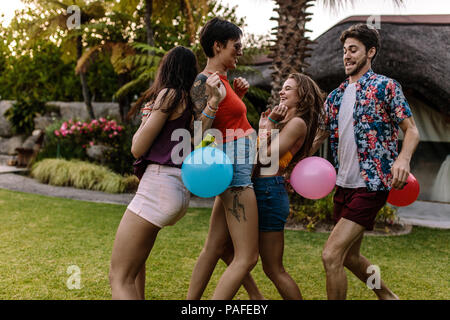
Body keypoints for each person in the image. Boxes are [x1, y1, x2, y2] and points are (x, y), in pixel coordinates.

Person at [310, 24, 420, 300]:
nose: (347, 56)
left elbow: (412, 130)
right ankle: (388, 296)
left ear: (370, 52)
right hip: (343, 184)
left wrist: (403, 159)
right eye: (345, 50)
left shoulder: (386, 87)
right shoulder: (334, 97)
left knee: (331, 254)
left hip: (371, 184)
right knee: (349, 257)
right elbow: (318, 136)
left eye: (353, 50)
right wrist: (292, 162)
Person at [109, 46, 203, 300]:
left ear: (166, 68)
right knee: (135, 267)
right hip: (178, 188)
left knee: (118, 276)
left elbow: (136, 148)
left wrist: (145, 119)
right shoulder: (190, 102)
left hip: (158, 185)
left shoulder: (168, 95)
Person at [186, 17, 263, 300]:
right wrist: (216, 100)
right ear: (218, 46)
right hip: (236, 173)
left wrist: (236, 95)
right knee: (247, 257)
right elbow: (196, 134)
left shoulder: (222, 82)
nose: (240, 51)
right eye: (236, 46)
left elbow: (226, 120)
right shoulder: (204, 82)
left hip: (231, 171)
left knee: (215, 248)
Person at [254, 73, 325, 300]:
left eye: (288, 89)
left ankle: (256, 297)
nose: (282, 93)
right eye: (282, 88)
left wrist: (268, 125)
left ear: (301, 95)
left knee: (273, 268)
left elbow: (265, 158)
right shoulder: (288, 124)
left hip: (268, 192)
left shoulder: (296, 123)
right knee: (230, 250)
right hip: (263, 188)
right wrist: (268, 126)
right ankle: (256, 296)